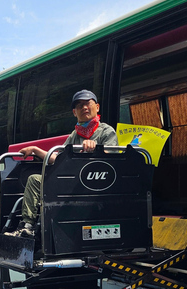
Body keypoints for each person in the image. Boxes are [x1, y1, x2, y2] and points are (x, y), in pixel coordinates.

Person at [6, 89, 118, 237]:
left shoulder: (106, 131)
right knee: (34, 180)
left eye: (87, 104)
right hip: (71, 182)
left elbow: (112, 160)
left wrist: (95, 150)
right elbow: (59, 158)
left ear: (97, 107)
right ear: (74, 112)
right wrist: (34, 150)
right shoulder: (74, 135)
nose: (84, 107)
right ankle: (27, 227)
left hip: (93, 184)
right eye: (79, 106)